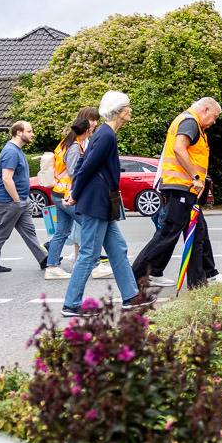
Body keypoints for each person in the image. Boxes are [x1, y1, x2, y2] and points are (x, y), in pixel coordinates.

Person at [61, 91, 152, 317]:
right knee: (90, 254)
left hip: (102, 202)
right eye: (127, 107)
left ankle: (130, 296)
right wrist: (75, 192)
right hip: (96, 202)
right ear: (119, 111)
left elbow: (85, 162)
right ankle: (71, 304)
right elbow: (87, 166)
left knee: (118, 248)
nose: (130, 110)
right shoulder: (107, 135)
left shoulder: (104, 133)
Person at [133, 97, 222, 289]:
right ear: (205, 109)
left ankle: (198, 282)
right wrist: (195, 176)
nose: (214, 121)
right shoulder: (190, 122)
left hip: (185, 188)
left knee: (196, 232)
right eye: (214, 116)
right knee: (169, 233)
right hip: (181, 187)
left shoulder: (192, 123)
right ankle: (135, 273)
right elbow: (179, 148)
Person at [44, 109, 106, 280]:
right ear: (85, 130)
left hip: (59, 193)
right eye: (91, 125)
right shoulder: (74, 147)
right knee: (89, 226)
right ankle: (94, 265)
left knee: (62, 231)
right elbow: (73, 172)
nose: (93, 127)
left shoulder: (66, 143)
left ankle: (52, 266)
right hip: (66, 194)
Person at [0, 121, 47, 273]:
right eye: (29, 131)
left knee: (29, 231)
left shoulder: (17, 150)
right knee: (1, 233)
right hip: (10, 201)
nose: (32, 134)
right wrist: (17, 200)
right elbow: (7, 178)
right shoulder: (11, 152)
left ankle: (43, 259)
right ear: (19, 132)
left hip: (21, 200)